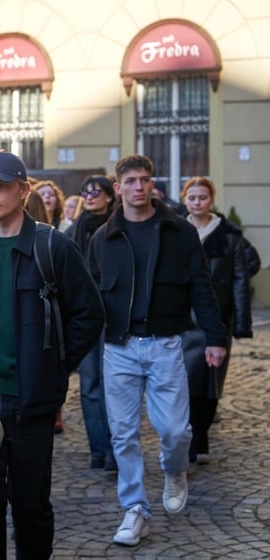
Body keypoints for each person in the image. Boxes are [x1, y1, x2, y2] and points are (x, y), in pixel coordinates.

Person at [0, 152, 104, 559]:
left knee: (31, 508)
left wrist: (55, 364)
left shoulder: (53, 246)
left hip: (32, 404)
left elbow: (90, 313)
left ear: (23, 190)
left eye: (0, 186)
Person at [88, 155, 227, 547]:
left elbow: (201, 285)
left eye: (144, 180)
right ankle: (135, 510)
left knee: (175, 430)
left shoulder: (179, 231)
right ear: (117, 188)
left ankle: (174, 469)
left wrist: (215, 337)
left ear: (152, 185)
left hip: (166, 344)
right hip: (119, 347)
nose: (138, 187)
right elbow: (89, 297)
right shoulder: (103, 239)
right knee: (123, 435)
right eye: (130, 181)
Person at [180, 176, 252, 465]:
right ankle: (188, 442)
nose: (197, 202)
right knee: (183, 381)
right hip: (182, 320)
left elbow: (240, 281)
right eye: (192, 197)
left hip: (216, 320)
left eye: (203, 197)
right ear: (185, 199)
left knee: (210, 383)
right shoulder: (176, 230)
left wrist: (241, 324)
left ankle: (201, 436)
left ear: (212, 199)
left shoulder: (229, 236)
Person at [67, 175, 119, 470]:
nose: (89, 195)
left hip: (115, 316)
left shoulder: (119, 225)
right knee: (90, 385)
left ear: (110, 196)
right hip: (86, 315)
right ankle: (98, 449)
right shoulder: (77, 229)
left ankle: (115, 447)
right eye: (85, 190)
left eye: (95, 190)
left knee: (114, 384)